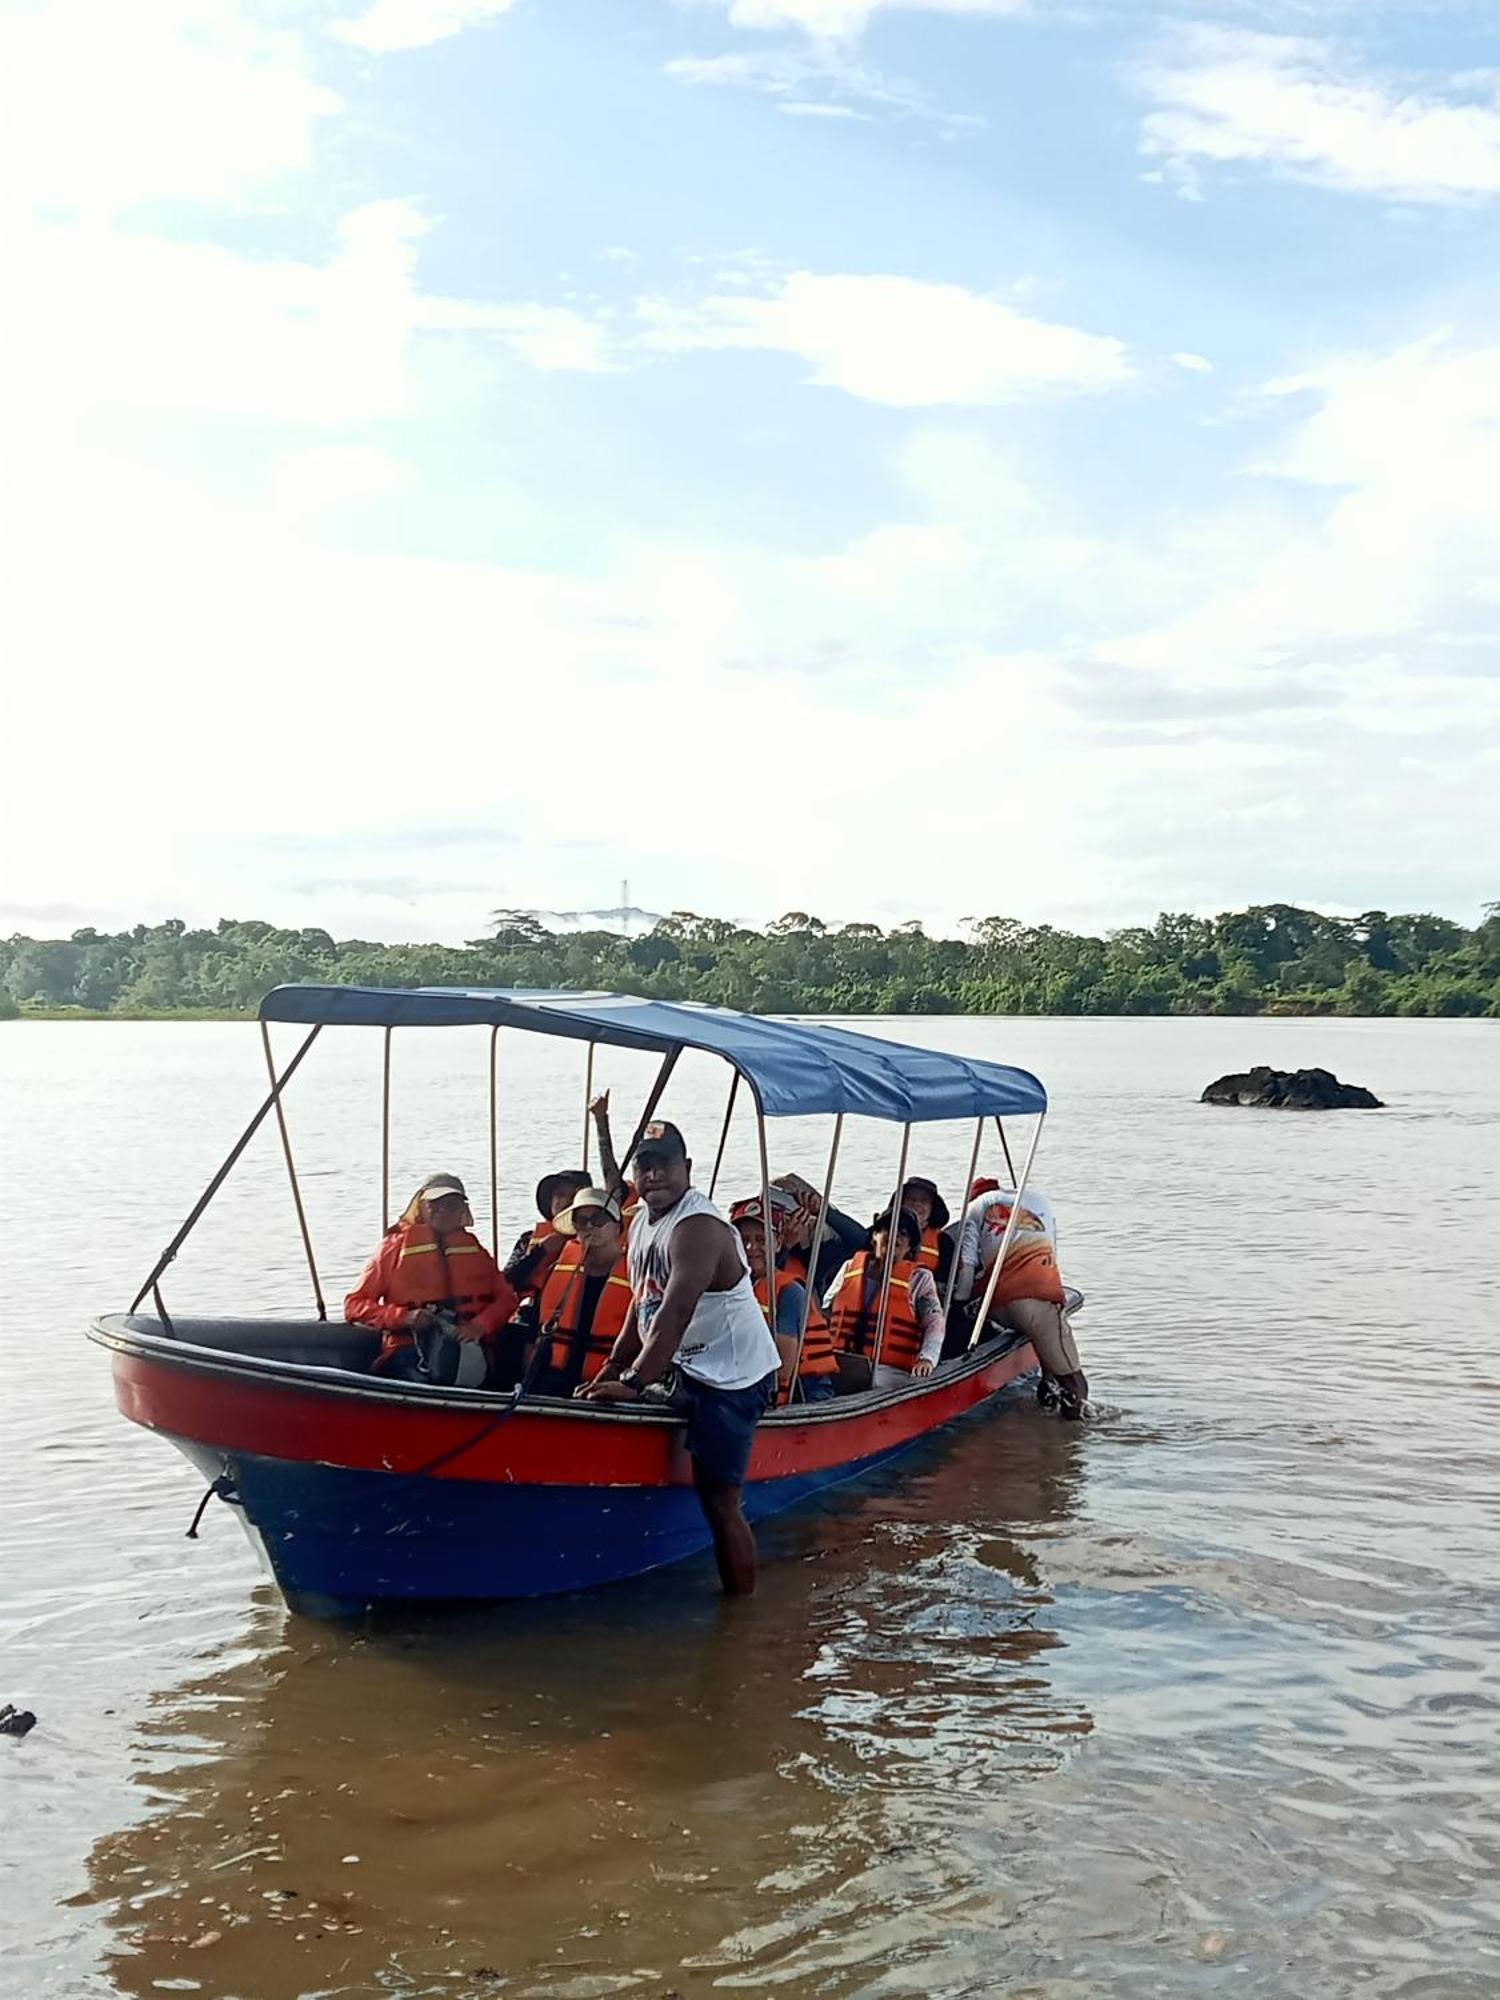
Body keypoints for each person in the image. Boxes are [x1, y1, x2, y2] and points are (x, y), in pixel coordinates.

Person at [580, 1121, 781, 1595]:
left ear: (687, 1168)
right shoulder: (640, 1221)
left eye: (664, 1165)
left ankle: (741, 1612)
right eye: (644, 1167)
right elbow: (642, 1300)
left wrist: (632, 1381)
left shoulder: (699, 1227)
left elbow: (675, 1309)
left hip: (732, 1376)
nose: (654, 1176)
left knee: (719, 1500)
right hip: (683, 1365)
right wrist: (614, 1364)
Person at [345, 1173, 518, 1384]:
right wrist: (404, 1317)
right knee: (423, 1380)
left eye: (452, 1205)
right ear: (421, 1206)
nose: (443, 1211)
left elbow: (507, 1300)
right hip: (409, 1349)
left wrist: (479, 1326)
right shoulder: (393, 1248)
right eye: (435, 1204)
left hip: (468, 1350)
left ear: (462, 1211)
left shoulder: (475, 1250)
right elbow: (354, 1305)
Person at [951, 1182, 1088, 1419]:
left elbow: (967, 1264)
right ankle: (1075, 1436)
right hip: (1035, 1300)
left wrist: (958, 1304)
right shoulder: (1038, 1200)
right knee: (1073, 1379)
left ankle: (1047, 1392)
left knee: (1045, 1353)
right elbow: (1051, 1254)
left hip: (996, 1306)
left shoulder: (974, 1209)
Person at [503, 1094, 626, 1301]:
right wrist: (539, 1253)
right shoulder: (528, 1241)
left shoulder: (600, 1233)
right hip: (537, 1316)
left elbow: (613, 1184)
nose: (566, 1200)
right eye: (559, 1194)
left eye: (575, 1194)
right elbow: (506, 1282)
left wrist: (601, 1122)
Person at [728, 1195, 840, 1405]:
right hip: (744, 1384)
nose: (751, 1248)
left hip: (803, 1392)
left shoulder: (788, 1292)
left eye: (761, 1240)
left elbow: (783, 1367)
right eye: (743, 1241)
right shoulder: (728, 1288)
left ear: (778, 1243)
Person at [824, 1207, 945, 1392]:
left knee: (875, 1382)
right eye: (888, 1228)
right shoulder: (850, 1267)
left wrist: (927, 1357)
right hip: (839, 1360)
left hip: (889, 1371)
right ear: (875, 1236)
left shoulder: (920, 1279)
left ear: (910, 1245)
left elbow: (934, 1323)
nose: (895, 1236)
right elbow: (826, 1310)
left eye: (903, 1233)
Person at [528, 1186, 633, 1396]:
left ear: (616, 1227)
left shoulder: (635, 1275)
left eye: (599, 1219)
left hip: (611, 1380)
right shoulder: (557, 1271)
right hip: (557, 1375)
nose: (589, 1226)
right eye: (581, 1220)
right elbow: (535, 1325)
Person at [900, 1176, 954, 1290]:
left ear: (932, 1208)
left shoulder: (944, 1242)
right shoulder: (882, 1234)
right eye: (911, 1199)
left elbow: (943, 1281)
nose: (917, 1204)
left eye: (924, 1201)